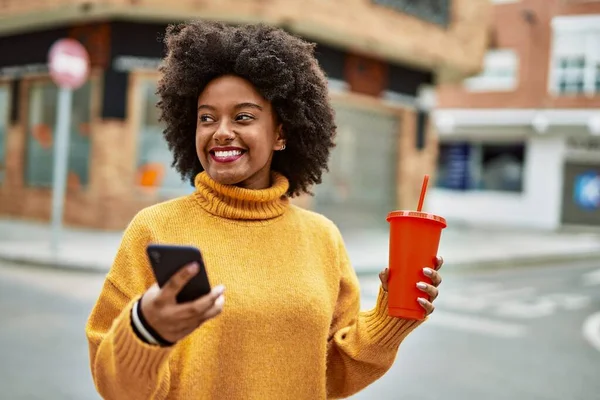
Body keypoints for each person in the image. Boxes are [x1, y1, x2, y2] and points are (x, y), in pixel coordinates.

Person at [85, 20, 444, 400]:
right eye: (207, 118)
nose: (220, 131)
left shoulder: (322, 237)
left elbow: (334, 375)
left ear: (281, 134)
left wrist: (394, 318)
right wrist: (145, 330)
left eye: (243, 117)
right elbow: (115, 387)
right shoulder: (155, 228)